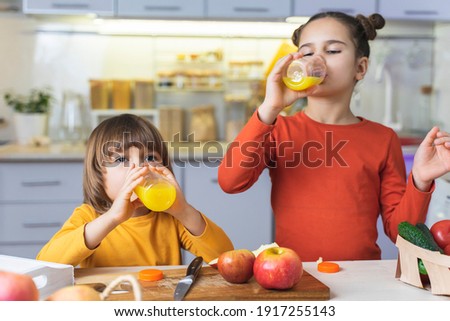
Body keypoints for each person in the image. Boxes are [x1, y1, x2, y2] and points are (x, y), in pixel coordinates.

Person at [218, 12, 450, 262]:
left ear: (360, 68)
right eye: (307, 53)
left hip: (363, 277)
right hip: (295, 277)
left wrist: (421, 181)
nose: (317, 60)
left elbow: (400, 234)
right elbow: (230, 182)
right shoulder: (278, 129)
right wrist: (269, 108)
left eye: (333, 51)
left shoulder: (383, 139)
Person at [37, 114, 233, 267]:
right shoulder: (88, 217)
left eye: (149, 158)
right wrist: (112, 218)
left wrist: (183, 210)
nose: (140, 169)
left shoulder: (171, 218)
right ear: (99, 173)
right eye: (122, 160)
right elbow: (46, 263)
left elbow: (225, 257)